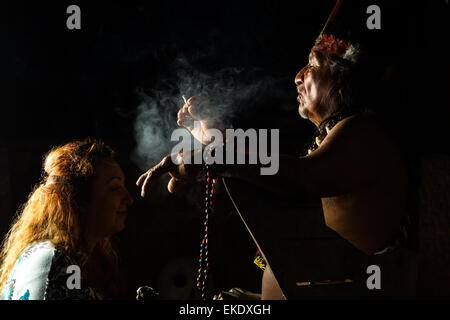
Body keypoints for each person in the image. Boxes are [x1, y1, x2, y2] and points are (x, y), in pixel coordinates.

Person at [136, 1, 416, 299]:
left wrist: (212, 155)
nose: (298, 75)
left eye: (313, 64)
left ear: (342, 79)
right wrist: (208, 131)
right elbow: (266, 161)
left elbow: (298, 177)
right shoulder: (330, 142)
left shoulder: (362, 134)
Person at [0, 139, 133, 300]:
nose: (128, 198)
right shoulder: (54, 262)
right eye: (115, 187)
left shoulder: (76, 261)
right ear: (77, 199)